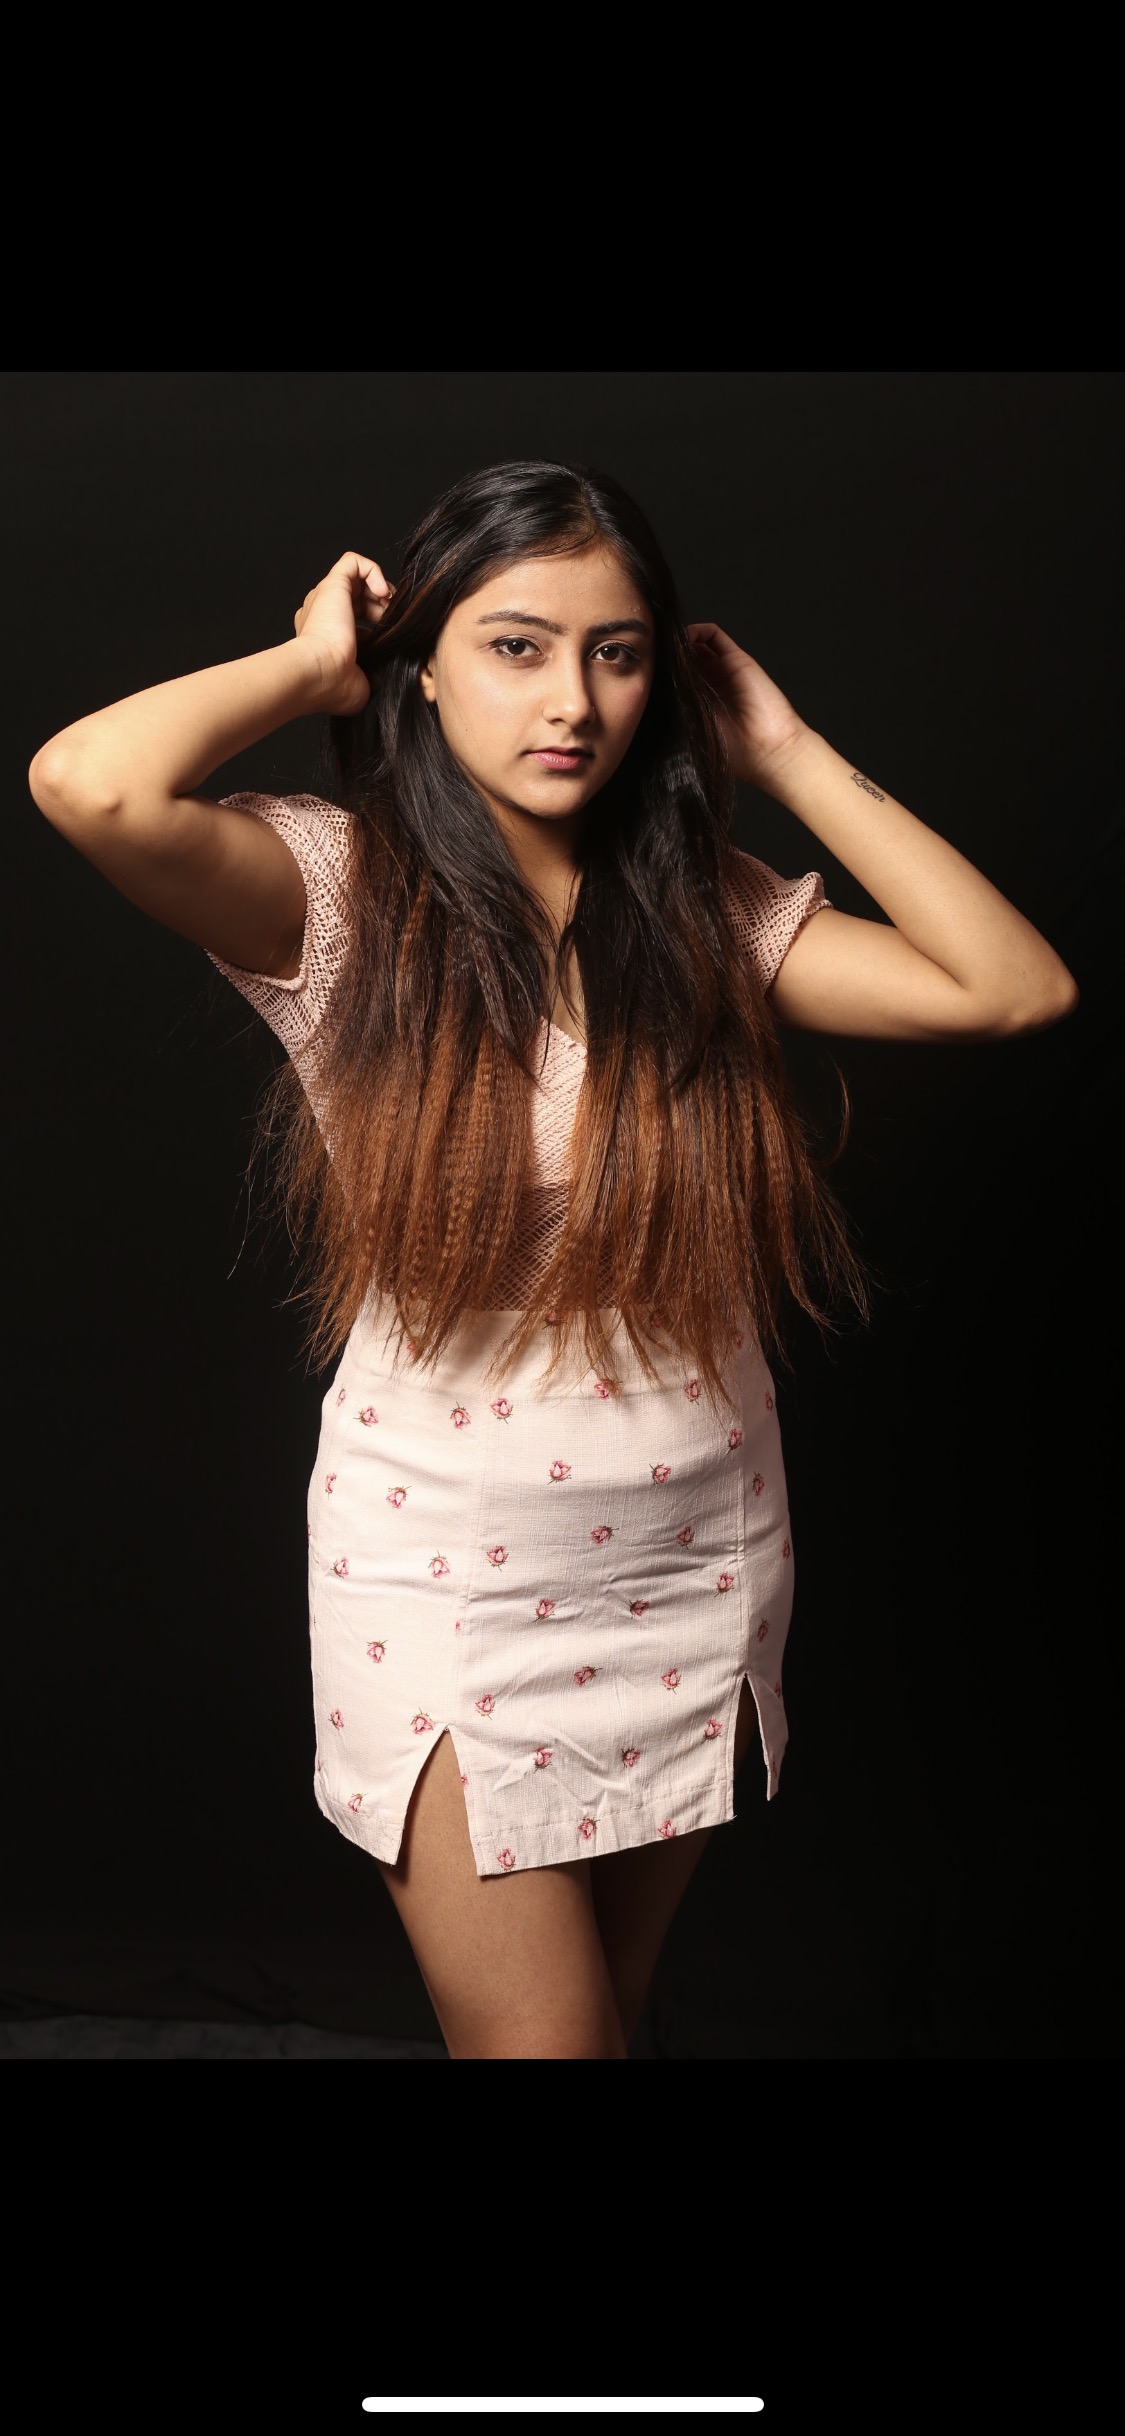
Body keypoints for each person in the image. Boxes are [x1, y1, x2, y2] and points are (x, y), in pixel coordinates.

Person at [29, 459, 1078, 2061]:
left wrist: (787, 752)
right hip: (451, 1583)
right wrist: (312, 668)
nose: (571, 701)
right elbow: (89, 785)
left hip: (697, 1556)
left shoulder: (704, 915)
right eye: (514, 647)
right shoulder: (337, 897)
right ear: (422, 663)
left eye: (616, 652)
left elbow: (1009, 988)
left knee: (615, 2026)